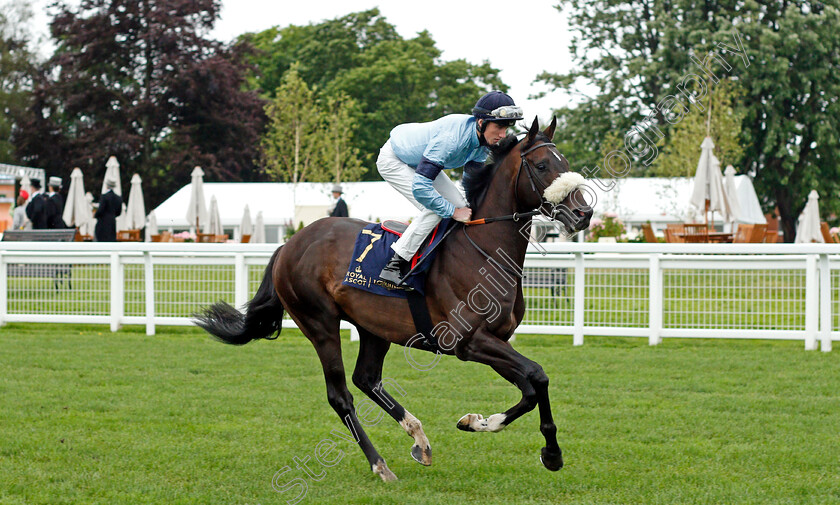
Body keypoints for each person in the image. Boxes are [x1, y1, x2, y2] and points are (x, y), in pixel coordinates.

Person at [376, 90, 523, 283]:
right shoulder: (451, 140)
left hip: (420, 159)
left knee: (461, 204)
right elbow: (421, 188)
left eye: (507, 128)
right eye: (499, 127)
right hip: (395, 159)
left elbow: (471, 182)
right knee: (438, 208)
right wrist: (453, 211)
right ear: (481, 123)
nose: (502, 135)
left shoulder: (483, 141)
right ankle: (394, 264)